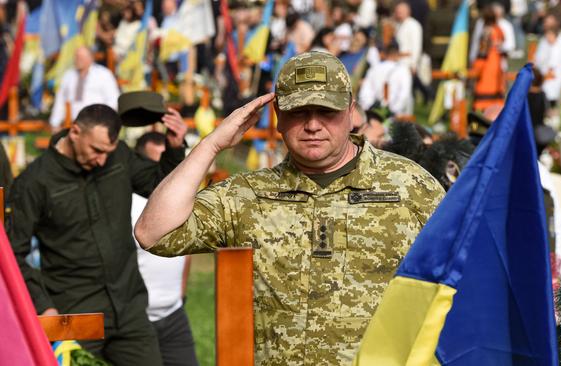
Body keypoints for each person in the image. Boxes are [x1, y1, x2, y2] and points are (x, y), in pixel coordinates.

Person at [135, 51, 445, 364]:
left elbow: (463, 279)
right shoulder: (250, 195)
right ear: (278, 116)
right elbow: (154, 233)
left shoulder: (409, 185)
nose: (312, 124)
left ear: (351, 112)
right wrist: (212, 144)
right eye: (298, 112)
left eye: (326, 111)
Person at [7, 103, 188, 366]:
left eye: (108, 152)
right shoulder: (34, 182)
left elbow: (159, 186)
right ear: (75, 131)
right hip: (74, 313)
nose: (102, 159)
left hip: (129, 310)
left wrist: (174, 148)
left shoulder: (120, 157)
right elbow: (13, 253)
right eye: (96, 150)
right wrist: (42, 305)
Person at [132, 132, 198, 366]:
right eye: (157, 164)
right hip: (137, 321)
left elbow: (186, 248)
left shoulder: (180, 206)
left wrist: (180, 292)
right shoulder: (129, 207)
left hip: (173, 315)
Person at [49, 47, 120, 129]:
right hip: (73, 123)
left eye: (81, 57)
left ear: (90, 58)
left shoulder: (103, 74)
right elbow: (60, 99)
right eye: (76, 57)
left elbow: (113, 99)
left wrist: (104, 121)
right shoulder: (68, 75)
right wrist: (54, 122)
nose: (78, 60)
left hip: (96, 122)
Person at [358, 42, 413, 115]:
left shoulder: (375, 68)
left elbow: (365, 91)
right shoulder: (403, 71)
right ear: (397, 54)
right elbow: (404, 95)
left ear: (385, 52)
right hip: (392, 115)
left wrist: (368, 107)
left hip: (372, 112)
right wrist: (393, 110)